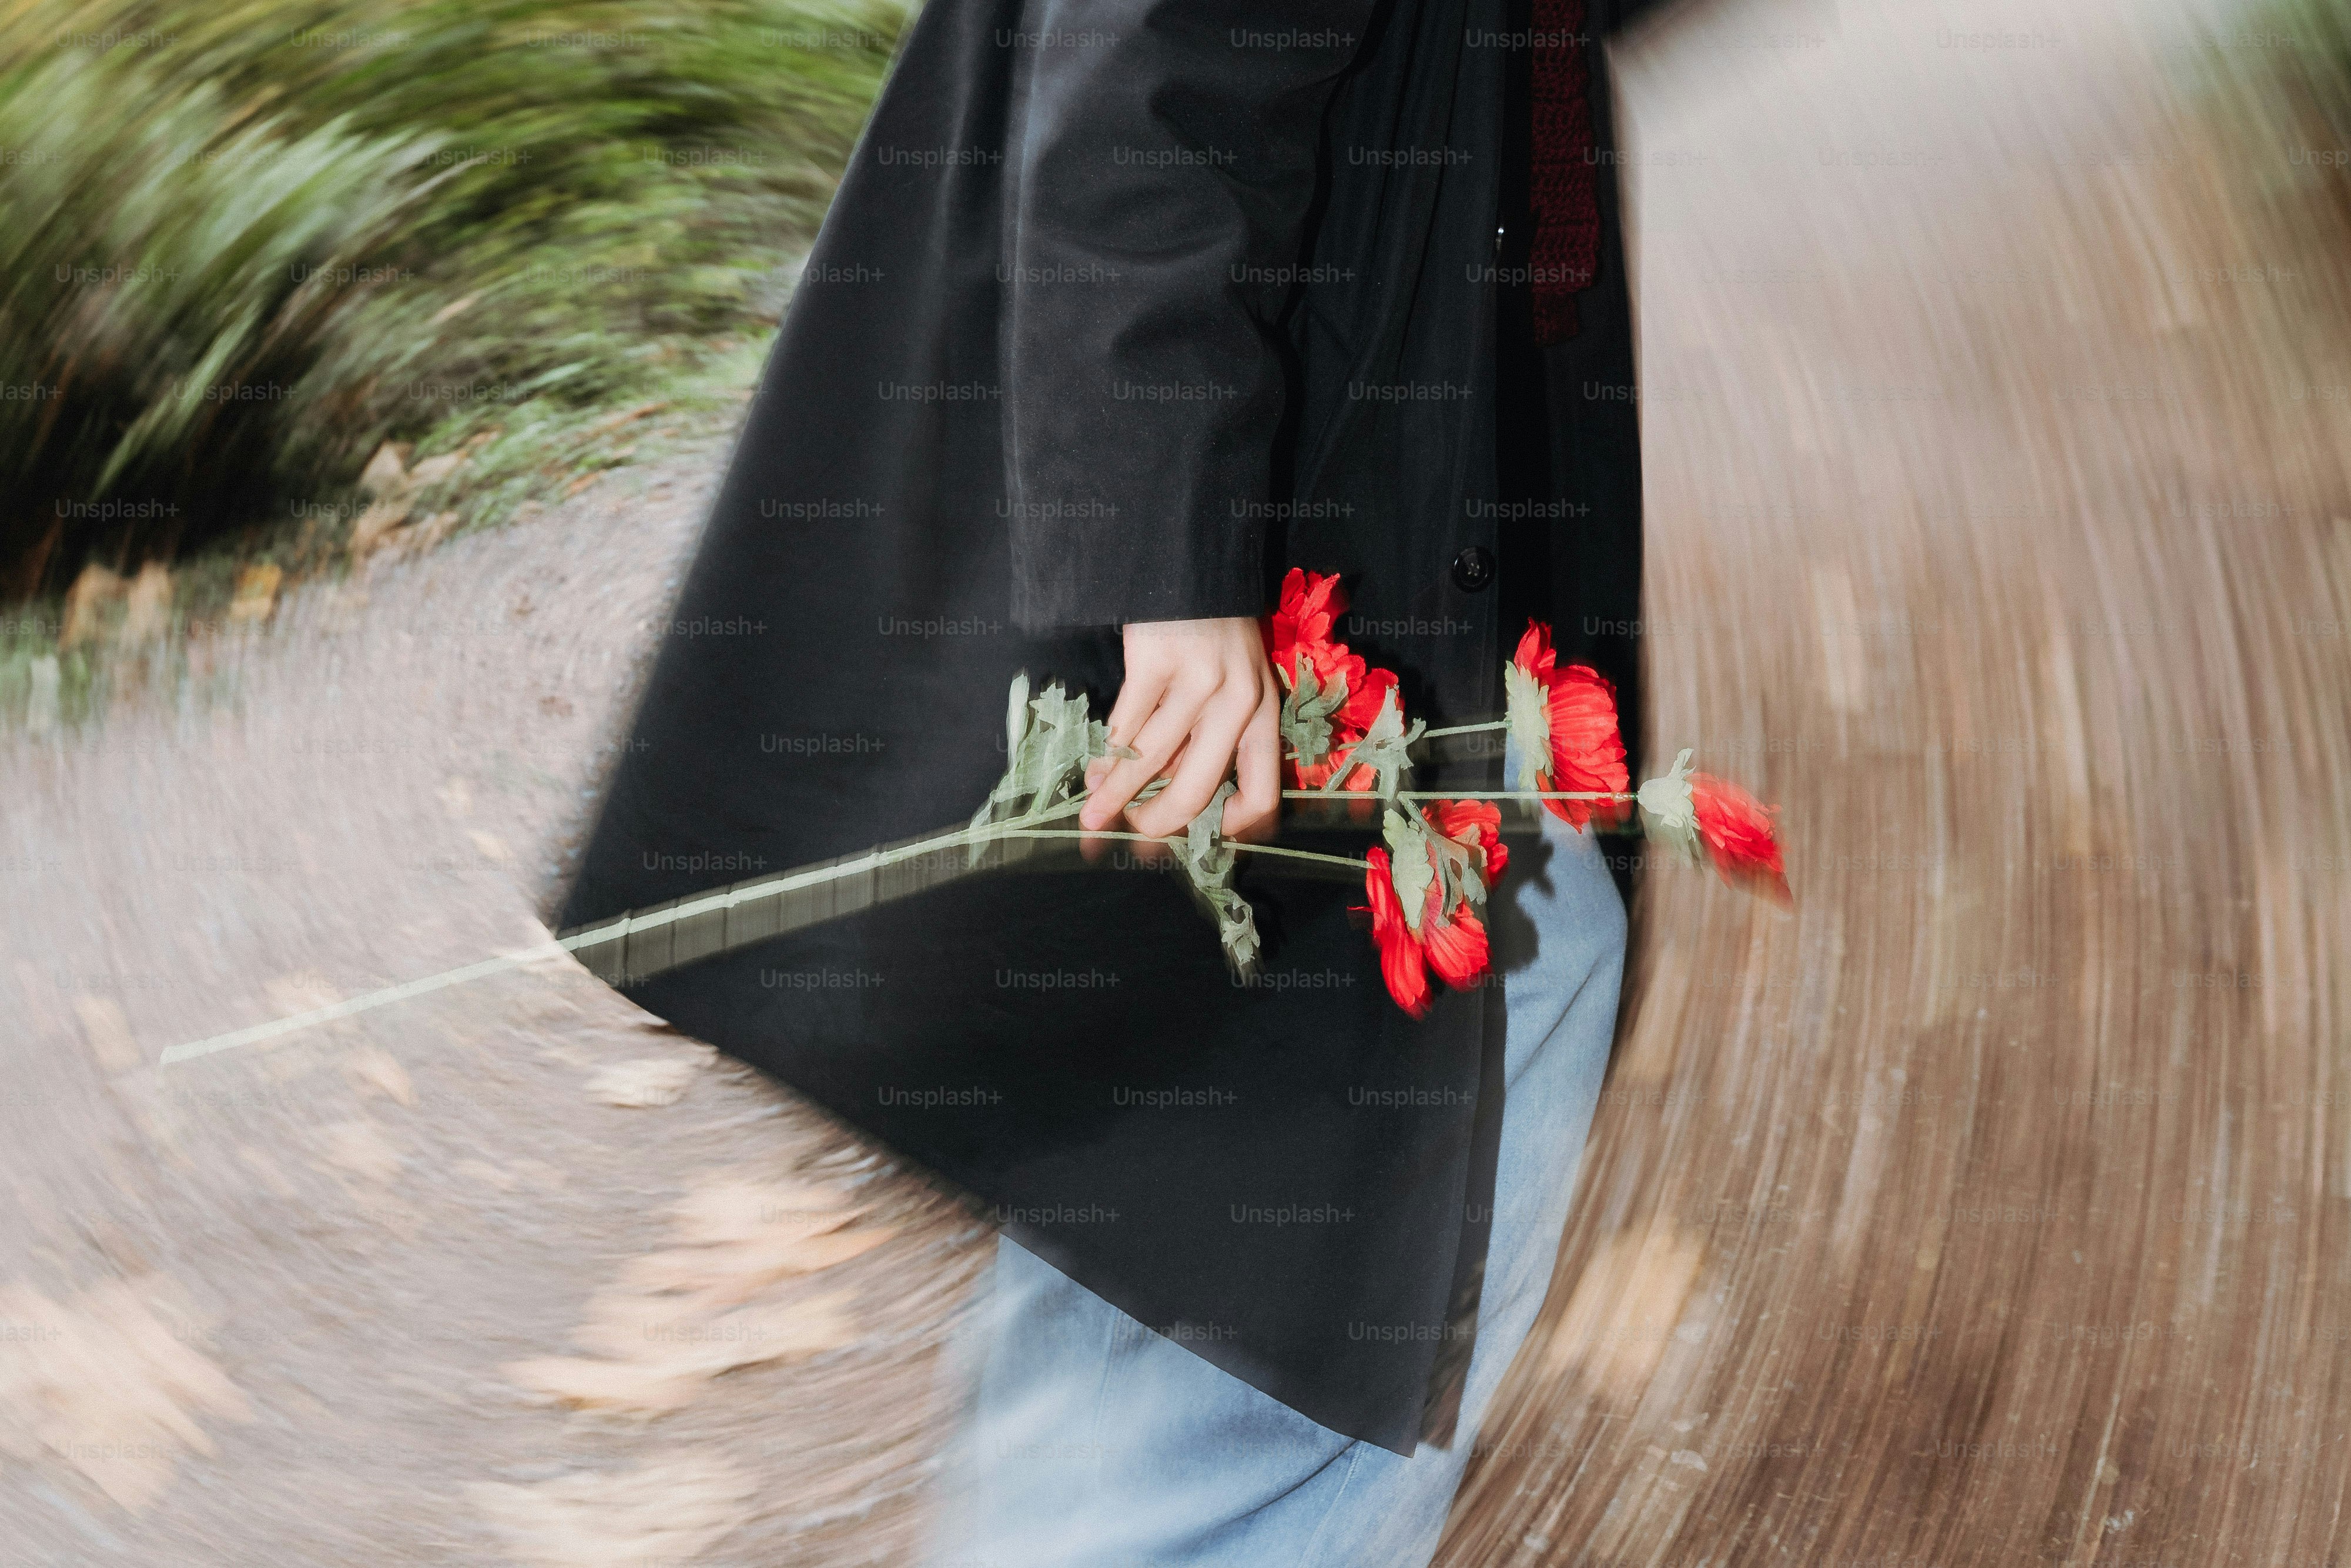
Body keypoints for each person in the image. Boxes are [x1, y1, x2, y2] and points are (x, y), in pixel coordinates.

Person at [557, 0, 1654, 1557]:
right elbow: (1145, 84)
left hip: (1353, 445)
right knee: (1333, 1114)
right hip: (1263, 495)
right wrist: (1171, 571)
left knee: (1268, 1116)